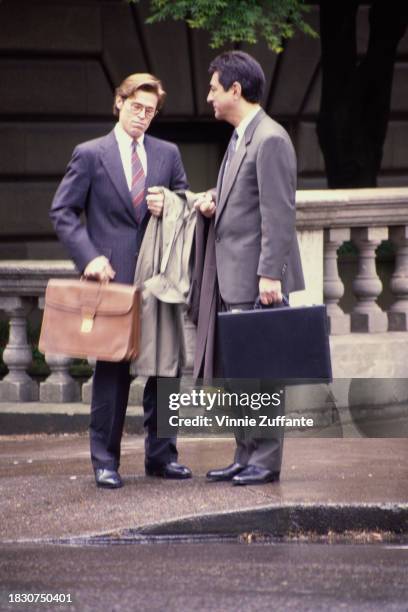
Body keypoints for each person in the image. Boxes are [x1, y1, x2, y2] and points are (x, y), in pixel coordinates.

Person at [50, 73, 192, 488]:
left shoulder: (168, 153)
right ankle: (105, 462)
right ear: (119, 102)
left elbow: (185, 203)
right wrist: (89, 256)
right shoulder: (90, 154)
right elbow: (62, 211)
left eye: (150, 111)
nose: (143, 117)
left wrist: (168, 202)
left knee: (166, 370)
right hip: (111, 281)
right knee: (112, 374)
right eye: (136, 107)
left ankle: (163, 457)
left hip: (160, 280)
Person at [194, 51, 305, 486]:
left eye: (214, 89)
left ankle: (266, 460)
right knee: (240, 372)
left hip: (258, 279)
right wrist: (214, 203)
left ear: (235, 91)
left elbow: (278, 213)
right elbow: (245, 200)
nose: (209, 98)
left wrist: (270, 275)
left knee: (263, 374)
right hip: (232, 276)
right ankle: (244, 453)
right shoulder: (242, 136)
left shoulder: (271, 138)